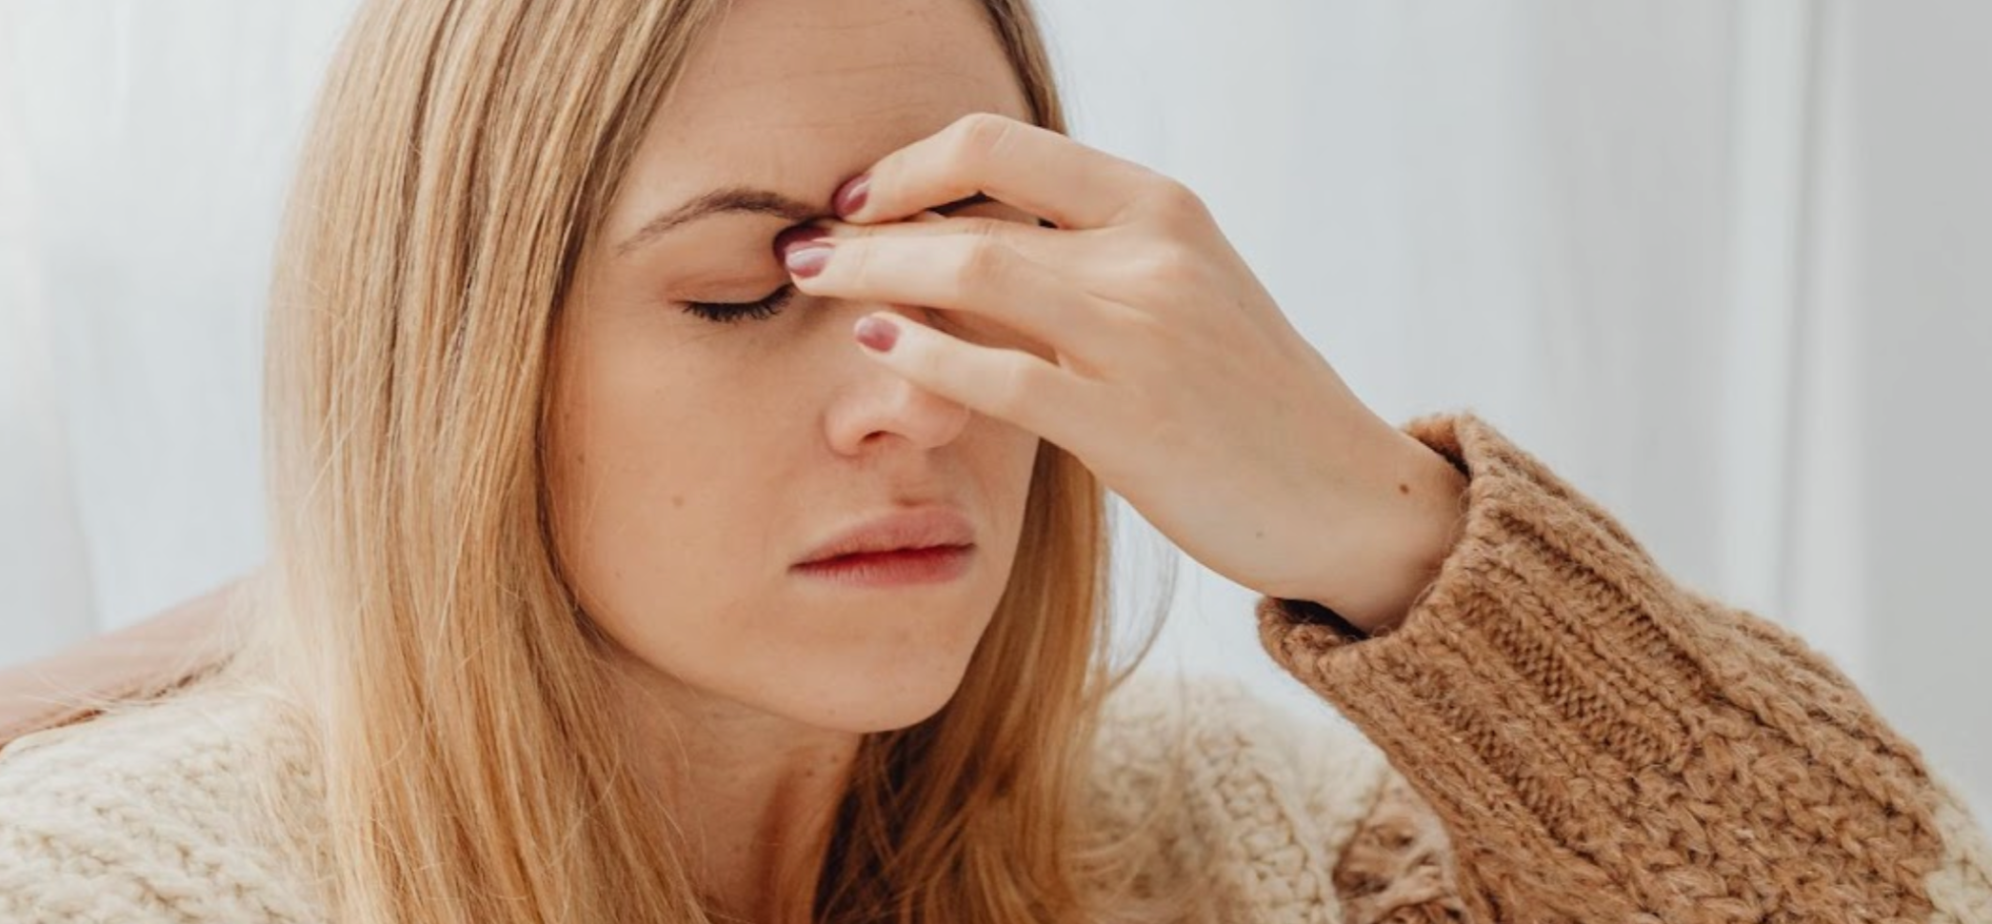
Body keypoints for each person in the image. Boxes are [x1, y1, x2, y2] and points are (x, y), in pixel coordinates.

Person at [2, 1, 1988, 922]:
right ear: (452, 369)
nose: (920, 397)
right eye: (743, 293)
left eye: (984, 275)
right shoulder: (121, 894)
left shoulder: (1234, 846)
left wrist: (1373, 524)